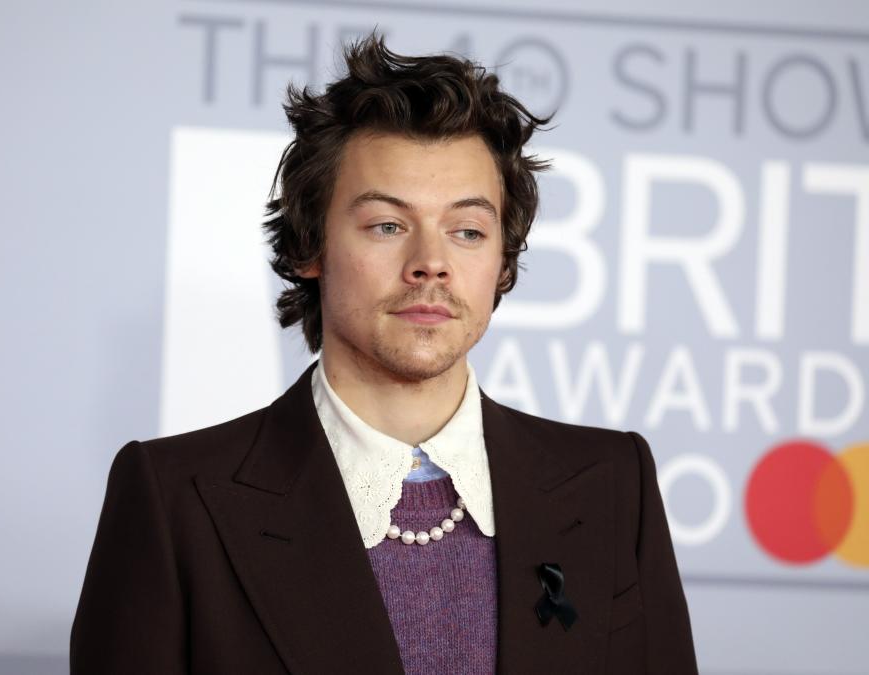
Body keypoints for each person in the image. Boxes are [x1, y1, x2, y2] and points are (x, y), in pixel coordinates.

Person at [70, 34, 698, 675]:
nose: (431, 262)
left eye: (468, 231)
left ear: (503, 263)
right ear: (308, 248)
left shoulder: (612, 483)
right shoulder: (176, 499)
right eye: (388, 225)